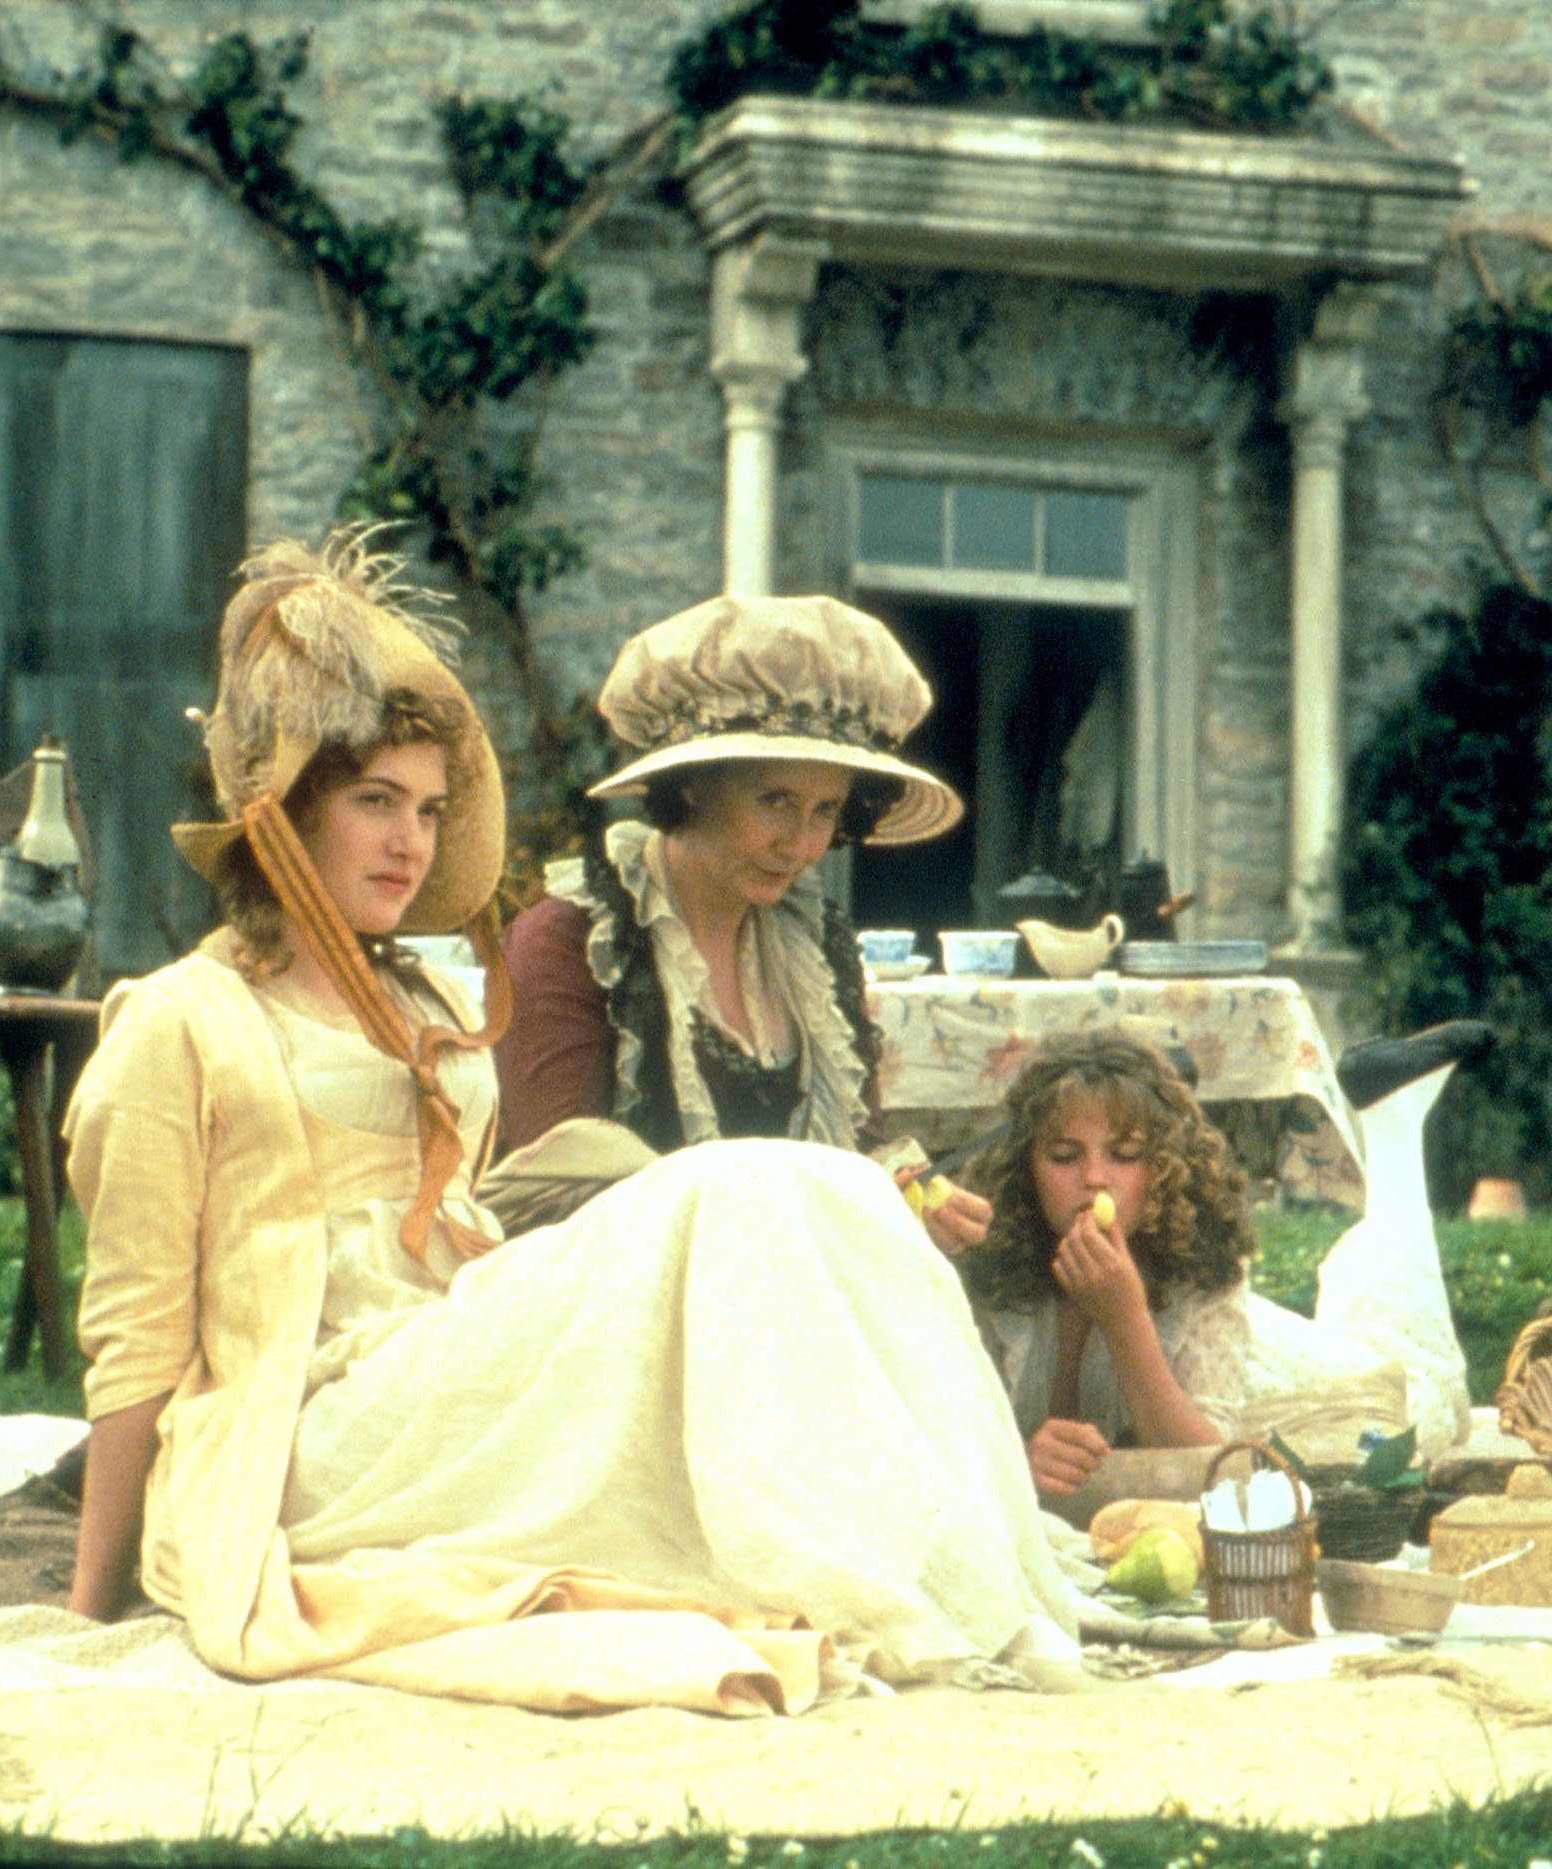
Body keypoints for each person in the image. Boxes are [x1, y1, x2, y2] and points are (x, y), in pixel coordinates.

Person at [66, 536, 1080, 1713]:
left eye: (432, 810)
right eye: (374, 804)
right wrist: (92, 1601)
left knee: (841, 1190)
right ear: (285, 815)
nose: (411, 843)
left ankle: (965, 1582)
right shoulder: (181, 1023)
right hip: (313, 1428)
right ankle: (907, 1587)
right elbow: (134, 1333)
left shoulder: (428, 1002)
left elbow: (475, 1223)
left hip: (452, 1366)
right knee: (737, 1186)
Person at [493, 594, 990, 1251]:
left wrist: (900, 1191)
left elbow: (848, 1143)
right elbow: (551, 1202)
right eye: (774, 799)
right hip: (620, 1297)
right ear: (696, 785)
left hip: (787, 1284)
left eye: (823, 810)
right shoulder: (572, 941)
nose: (802, 844)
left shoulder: (814, 949)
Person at [960, 1026, 1491, 1497]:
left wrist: (1124, 1319)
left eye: (1124, 1155)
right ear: (1027, 1165)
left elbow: (1210, 1468)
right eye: (1064, 1156)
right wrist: (1022, 1454)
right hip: (1236, 1377)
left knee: (1423, 1390)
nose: (1094, 1177)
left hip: (1281, 1386)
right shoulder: (988, 1262)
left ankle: (1392, 1117)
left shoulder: (1200, 1265)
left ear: (1163, 1165)